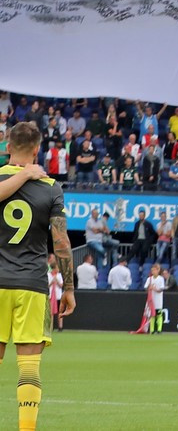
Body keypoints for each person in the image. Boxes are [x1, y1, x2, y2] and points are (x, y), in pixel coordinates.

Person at [0, 125, 71, 431]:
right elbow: (62, 242)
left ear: (7, 146)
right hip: (32, 284)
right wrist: (68, 286)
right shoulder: (51, 187)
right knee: (29, 365)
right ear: (36, 150)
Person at [136, 264, 167, 334]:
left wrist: (154, 289)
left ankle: (159, 329)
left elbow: (161, 289)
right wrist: (149, 288)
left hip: (158, 300)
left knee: (159, 315)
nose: (153, 271)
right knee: (152, 315)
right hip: (151, 301)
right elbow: (146, 288)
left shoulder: (161, 279)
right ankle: (152, 330)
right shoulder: (149, 279)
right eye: (152, 270)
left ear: (158, 270)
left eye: (154, 270)